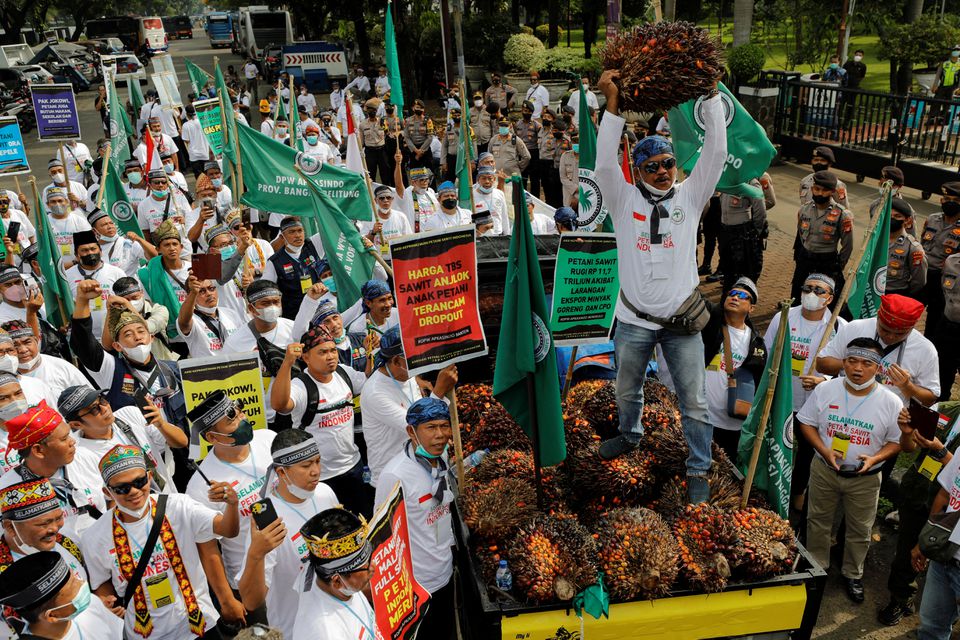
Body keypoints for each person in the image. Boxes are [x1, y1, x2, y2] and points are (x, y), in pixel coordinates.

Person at [592, 69, 726, 504]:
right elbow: (603, 165)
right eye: (652, 167)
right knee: (626, 389)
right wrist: (612, 107)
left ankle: (699, 469)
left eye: (669, 164)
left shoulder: (691, 195)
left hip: (681, 324)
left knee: (696, 403)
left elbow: (716, 154)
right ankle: (630, 435)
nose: (664, 172)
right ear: (639, 170)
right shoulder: (623, 199)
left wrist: (710, 95)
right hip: (632, 321)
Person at [81, 444, 239, 639]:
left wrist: (232, 504)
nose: (133, 491)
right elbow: (101, 584)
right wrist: (106, 603)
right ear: (107, 492)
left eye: (139, 482)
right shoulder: (94, 537)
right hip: (144, 634)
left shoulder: (179, 506)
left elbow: (227, 530)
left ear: (149, 477)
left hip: (199, 626)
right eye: (122, 488)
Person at [798, 338, 910, 602]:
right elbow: (806, 423)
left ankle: (852, 574)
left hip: (865, 478)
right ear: (844, 362)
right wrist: (824, 451)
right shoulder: (826, 390)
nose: (857, 368)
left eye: (866, 363)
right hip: (825, 470)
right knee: (817, 521)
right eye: (851, 361)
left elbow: (897, 442)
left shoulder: (891, 402)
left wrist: (875, 459)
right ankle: (817, 568)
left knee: (860, 529)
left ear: (878, 368)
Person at [237, 429, 338, 639]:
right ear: (282, 472)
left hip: (337, 618)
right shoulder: (268, 522)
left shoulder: (325, 493)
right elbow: (252, 601)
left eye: (318, 461)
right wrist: (256, 554)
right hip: (297, 630)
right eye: (306, 465)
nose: (316, 471)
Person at [185, 390, 274, 626]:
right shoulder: (201, 485)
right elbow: (209, 549)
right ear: (212, 437)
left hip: (294, 558)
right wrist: (226, 600)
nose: (243, 419)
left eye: (239, 410)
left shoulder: (267, 440)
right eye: (232, 418)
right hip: (254, 578)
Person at [763, 273, 846, 511]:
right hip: (783, 397)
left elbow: (844, 369)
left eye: (819, 291)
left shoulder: (839, 327)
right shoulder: (784, 317)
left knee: (807, 452)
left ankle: (798, 494)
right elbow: (768, 352)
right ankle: (771, 486)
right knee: (777, 442)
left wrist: (823, 380)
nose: (812, 294)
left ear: (829, 298)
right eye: (807, 288)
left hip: (813, 405)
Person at [375, 397, 456, 638]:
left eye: (444, 426)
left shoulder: (443, 457)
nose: (440, 435)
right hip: (418, 587)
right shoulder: (395, 475)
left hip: (446, 572)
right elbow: (382, 538)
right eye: (431, 428)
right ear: (411, 431)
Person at [271, 326, 371, 516]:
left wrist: (372, 353)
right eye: (322, 352)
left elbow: (369, 382)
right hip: (320, 478)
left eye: (333, 350)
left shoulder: (344, 373)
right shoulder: (300, 386)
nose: (331, 356)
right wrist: (287, 363)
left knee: (363, 523)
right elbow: (279, 404)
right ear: (306, 357)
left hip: (353, 468)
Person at [878, 401, 960, 626]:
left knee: (944, 558)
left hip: (952, 508)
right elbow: (908, 447)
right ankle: (900, 598)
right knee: (907, 549)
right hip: (917, 493)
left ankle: (941, 611)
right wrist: (905, 433)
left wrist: (939, 450)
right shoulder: (943, 409)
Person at [69, 293, 189, 432]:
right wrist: (82, 300)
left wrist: (127, 304)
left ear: (151, 338)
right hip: (141, 449)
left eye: (141, 332)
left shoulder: (174, 369)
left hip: (180, 446)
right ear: (117, 346)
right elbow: (83, 344)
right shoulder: (112, 370)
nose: (137, 337)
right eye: (128, 334)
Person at [0, 402, 105, 541]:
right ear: (38, 450)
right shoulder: (7, 490)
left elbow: (112, 498)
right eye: (64, 439)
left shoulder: (85, 457)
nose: (72, 441)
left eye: (69, 435)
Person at [361, 328, 454, 487]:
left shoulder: (408, 376)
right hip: (394, 479)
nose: (420, 359)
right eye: (414, 357)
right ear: (397, 361)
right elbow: (419, 428)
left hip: (420, 467)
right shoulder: (375, 392)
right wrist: (439, 390)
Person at [221, 280, 316, 430]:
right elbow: (227, 382)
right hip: (262, 416)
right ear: (251, 307)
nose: (272, 307)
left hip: (296, 409)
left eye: (276, 302)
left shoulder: (292, 329)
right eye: (265, 303)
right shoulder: (234, 343)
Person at [817, 294, 940, 406]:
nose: (890, 337)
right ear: (878, 316)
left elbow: (930, 399)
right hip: (844, 405)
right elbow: (821, 364)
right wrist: (853, 362)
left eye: (900, 334)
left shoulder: (925, 349)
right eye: (885, 329)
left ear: (912, 327)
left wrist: (907, 386)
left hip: (889, 418)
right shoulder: (855, 328)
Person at [59, 383, 181, 492]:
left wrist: (162, 425)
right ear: (76, 424)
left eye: (102, 400)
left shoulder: (129, 414)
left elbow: (181, 442)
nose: (104, 408)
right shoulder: (80, 456)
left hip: (171, 500)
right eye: (94, 409)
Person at [696, 278, 768, 460]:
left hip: (733, 425)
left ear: (752, 308)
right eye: (732, 293)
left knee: (725, 479)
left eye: (743, 296)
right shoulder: (710, 325)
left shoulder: (757, 345)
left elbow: (759, 385)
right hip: (702, 418)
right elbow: (697, 298)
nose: (735, 297)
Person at [291, 507, 374, 640]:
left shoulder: (320, 569)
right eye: (365, 567)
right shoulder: (326, 633)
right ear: (337, 581)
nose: (373, 568)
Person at [0, 551, 123, 640]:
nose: (82, 583)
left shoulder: (92, 605)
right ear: (52, 615)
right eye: (73, 585)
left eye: (75, 577)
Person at [789, 171, 853, 304]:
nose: (819, 193)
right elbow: (801, 233)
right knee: (797, 298)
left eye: (824, 190)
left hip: (828, 262)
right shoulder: (804, 209)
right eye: (817, 189)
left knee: (831, 302)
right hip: (805, 260)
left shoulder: (842, 214)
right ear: (812, 188)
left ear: (832, 192)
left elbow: (848, 245)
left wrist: (839, 265)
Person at [64, 230, 127, 340]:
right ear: (77, 256)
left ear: (101, 251)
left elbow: (127, 301)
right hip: (83, 337)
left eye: (93, 249)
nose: (90, 253)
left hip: (114, 334)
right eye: (84, 250)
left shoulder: (116, 272)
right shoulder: (67, 276)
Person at [261, 217, 328, 320]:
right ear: (282, 237)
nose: (297, 235)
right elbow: (264, 291)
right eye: (291, 232)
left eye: (300, 231)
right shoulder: (274, 262)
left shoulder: (312, 245)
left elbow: (330, 227)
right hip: (294, 317)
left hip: (319, 312)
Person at [4, 321, 87, 401]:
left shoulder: (61, 367)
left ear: (36, 341)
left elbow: (89, 397)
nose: (23, 350)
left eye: (27, 342)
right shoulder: (5, 379)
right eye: (15, 346)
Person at [920, 181, 960, 337]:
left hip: (944, 280)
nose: (950, 203)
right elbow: (923, 242)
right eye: (947, 198)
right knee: (909, 312)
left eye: (956, 201)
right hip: (923, 276)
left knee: (934, 321)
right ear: (941, 200)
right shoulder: (932, 219)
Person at [177, 273, 244, 358]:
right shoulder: (191, 319)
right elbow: (184, 323)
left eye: (211, 288)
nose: (209, 293)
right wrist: (194, 292)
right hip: (210, 369)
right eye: (201, 291)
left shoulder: (231, 314)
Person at [718, 181, 767, 293]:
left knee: (746, 271)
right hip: (726, 232)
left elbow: (760, 211)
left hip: (742, 233)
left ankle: (744, 298)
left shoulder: (751, 183)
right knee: (728, 268)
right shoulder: (727, 180)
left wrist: (754, 232)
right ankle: (726, 296)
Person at [87, 208, 156, 279]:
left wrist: (139, 239)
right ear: (94, 231)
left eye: (111, 223)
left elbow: (154, 256)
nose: (110, 227)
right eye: (104, 225)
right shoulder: (92, 250)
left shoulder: (128, 243)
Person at [884, 198, 927, 298]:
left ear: (907, 220)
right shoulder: (876, 239)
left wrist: (904, 296)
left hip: (895, 295)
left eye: (897, 216)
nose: (892, 219)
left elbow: (919, 281)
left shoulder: (913, 248)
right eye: (889, 216)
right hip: (870, 291)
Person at [136, 170, 191, 245]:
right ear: (149, 185)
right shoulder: (143, 205)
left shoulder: (179, 197)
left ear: (168, 184)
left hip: (183, 248)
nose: (160, 185)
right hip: (160, 250)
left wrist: (185, 221)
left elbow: (191, 219)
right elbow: (145, 231)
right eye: (156, 182)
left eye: (163, 182)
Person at [933, 254, 960, 400]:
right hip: (947, 327)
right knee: (942, 373)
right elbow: (945, 290)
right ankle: (938, 410)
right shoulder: (951, 261)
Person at [358, 185, 413, 256]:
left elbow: (409, 240)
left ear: (392, 199)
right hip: (378, 262)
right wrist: (373, 232)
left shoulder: (401, 216)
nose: (385, 200)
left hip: (399, 259)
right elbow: (363, 243)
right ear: (375, 200)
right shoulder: (368, 218)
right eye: (381, 198)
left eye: (388, 197)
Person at [43, 188, 92, 268]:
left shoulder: (79, 220)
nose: (57, 204)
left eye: (60, 201)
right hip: (56, 269)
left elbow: (89, 244)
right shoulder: (44, 224)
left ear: (66, 201)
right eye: (53, 202)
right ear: (48, 204)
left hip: (80, 266)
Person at [394, 161, 440, 233]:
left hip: (435, 234)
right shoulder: (407, 195)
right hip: (417, 238)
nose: (425, 182)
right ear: (413, 182)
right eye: (421, 180)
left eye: (426, 179)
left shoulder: (431, 192)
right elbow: (398, 186)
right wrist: (398, 164)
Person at [360, 98, 390, 184]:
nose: (372, 112)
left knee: (385, 173)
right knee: (370, 174)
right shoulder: (362, 124)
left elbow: (388, 135)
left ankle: (387, 191)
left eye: (373, 110)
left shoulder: (383, 122)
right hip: (370, 151)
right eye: (370, 110)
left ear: (376, 110)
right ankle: (372, 193)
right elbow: (361, 141)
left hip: (382, 150)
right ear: (367, 111)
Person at [929, 46, 960, 123]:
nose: (956, 51)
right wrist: (935, 85)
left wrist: (959, 88)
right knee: (936, 100)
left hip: (953, 86)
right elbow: (938, 75)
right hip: (943, 85)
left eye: (957, 50)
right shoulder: (944, 63)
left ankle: (944, 118)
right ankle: (932, 118)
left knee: (949, 103)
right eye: (954, 50)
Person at [402, 99, 434, 170]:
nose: (419, 109)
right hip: (413, 150)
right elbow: (407, 137)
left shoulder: (427, 121)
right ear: (413, 108)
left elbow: (430, 137)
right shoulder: (407, 121)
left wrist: (420, 151)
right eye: (417, 107)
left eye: (421, 108)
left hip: (425, 149)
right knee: (415, 174)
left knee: (429, 173)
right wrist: (416, 150)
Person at [180, 104, 211, 178]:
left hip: (194, 155)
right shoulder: (203, 122)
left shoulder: (185, 125)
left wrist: (181, 133)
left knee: (199, 177)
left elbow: (186, 141)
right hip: (205, 152)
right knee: (208, 175)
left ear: (187, 114)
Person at [559, 141, 579, 207]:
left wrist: (578, 197)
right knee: (568, 215)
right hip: (568, 194)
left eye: (578, 141)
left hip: (584, 195)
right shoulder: (565, 155)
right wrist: (575, 189)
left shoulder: (589, 156)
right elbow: (563, 178)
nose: (576, 144)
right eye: (574, 141)